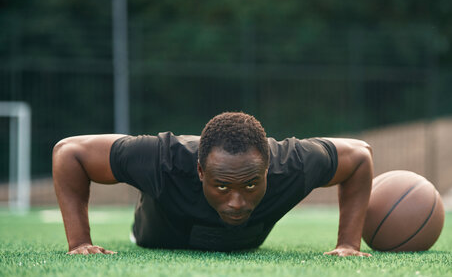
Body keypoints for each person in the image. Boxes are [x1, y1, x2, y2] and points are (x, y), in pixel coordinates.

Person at [52, 112, 373, 257]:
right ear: (200, 172)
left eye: (250, 185)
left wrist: (348, 243)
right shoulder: (162, 160)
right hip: (156, 236)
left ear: (268, 170)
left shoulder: (293, 166)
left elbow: (359, 155)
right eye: (222, 187)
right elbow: (70, 153)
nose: (236, 202)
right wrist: (80, 243)